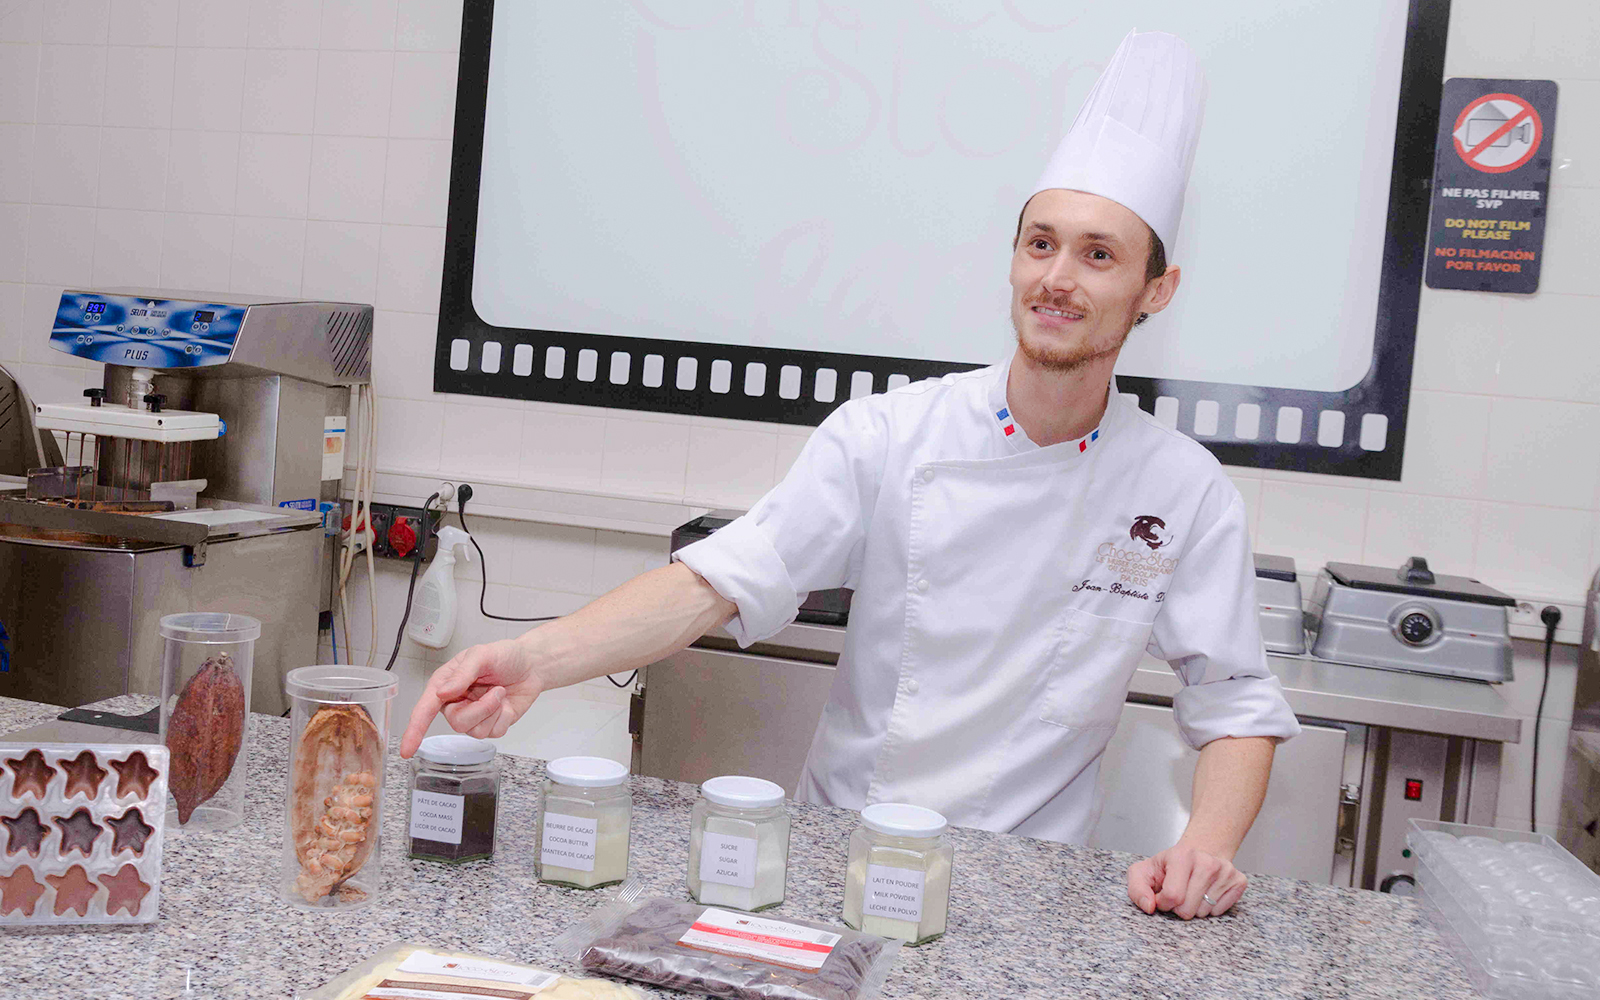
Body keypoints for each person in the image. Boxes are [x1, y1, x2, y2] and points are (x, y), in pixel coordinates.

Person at [400, 30, 1300, 921]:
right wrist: (534, 658)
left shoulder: (1183, 491)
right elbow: (718, 581)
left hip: (1030, 884)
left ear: (1156, 290)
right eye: (1040, 244)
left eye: (1098, 255)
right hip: (846, 865)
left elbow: (1234, 701)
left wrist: (1206, 846)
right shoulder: (890, 434)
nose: (1057, 278)